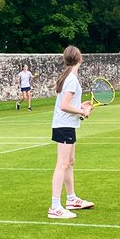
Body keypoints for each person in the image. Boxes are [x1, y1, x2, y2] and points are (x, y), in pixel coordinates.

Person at [48, 46, 94, 219]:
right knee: (62, 164)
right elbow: (64, 106)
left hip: (66, 125)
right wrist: (83, 112)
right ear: (79, 58)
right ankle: (54, 207)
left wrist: (81, 106)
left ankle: (72, 199)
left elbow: (68, 103)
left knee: (70, 162)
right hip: (64, 126)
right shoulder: (72, 79)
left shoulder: (68, 77)